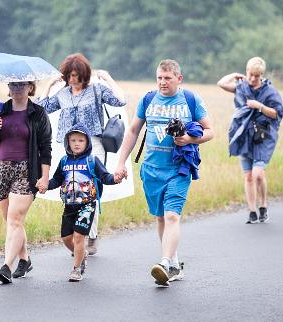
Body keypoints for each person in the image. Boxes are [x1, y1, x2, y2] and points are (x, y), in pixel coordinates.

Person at [114, 59, 214, 286]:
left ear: (179, 79)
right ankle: (174, 264)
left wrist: (190, 139)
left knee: (171, 216)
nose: (162, 82)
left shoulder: (191, 100)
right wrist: (121, 163)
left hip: (178, 169)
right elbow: (132, 131)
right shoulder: (148, 99)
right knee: (160, 217)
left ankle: (165, 262)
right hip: (151, 170)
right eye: (159, 77)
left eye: (167, 78)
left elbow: (210, 131)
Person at [38, 53, 126, 255]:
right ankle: (78, 235)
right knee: (73, 187)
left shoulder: (96, 90)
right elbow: (41, 108)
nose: (72, 79)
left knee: (92, 187)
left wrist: (108, 79)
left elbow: (121, 101)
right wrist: (50, 84)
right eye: (69, 75)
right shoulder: (62, 93)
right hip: (69, 146)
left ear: (84, 75)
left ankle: (90, 235)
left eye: (76, 75)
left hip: (94, 143)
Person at [0, 81, 52, 284]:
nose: (17, 88)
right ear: (8, 88)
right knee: (11, 221)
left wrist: (44, 176)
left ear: (30, 87)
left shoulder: (38, 113)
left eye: (22, 84)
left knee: (15, 220)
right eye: (13, 84)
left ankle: (6, 266)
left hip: (26, 172)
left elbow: (45, 147)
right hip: (0, 170)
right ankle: (25, 260)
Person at [45, 123, 120, 281]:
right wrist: (45, 185)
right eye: (73, 140)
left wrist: (115, 178)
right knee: (66, 238)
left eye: (80, 140)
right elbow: (57, 179)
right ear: (68, 142)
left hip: (87, 205)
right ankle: (82, 254)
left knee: (79, 236)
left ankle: (77, 268)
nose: (77, 143)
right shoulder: (64, 161)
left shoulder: (92, 160)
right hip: (69, 206)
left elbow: (105, 177)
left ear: (87, 142)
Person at [217, 57, 283, 224]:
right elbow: (222, 83)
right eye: (250, 74)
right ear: (246, 72)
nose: (253, 78)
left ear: (262, 74)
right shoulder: (241, 87)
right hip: (243, 135)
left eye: (257, 75)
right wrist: (234, 75)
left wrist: (259, 106)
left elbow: (277, 113)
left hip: (263, 136)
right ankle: (252, 211)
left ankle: (264, 206)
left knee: (258, 174)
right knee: (248, 176)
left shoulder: (270, 91)